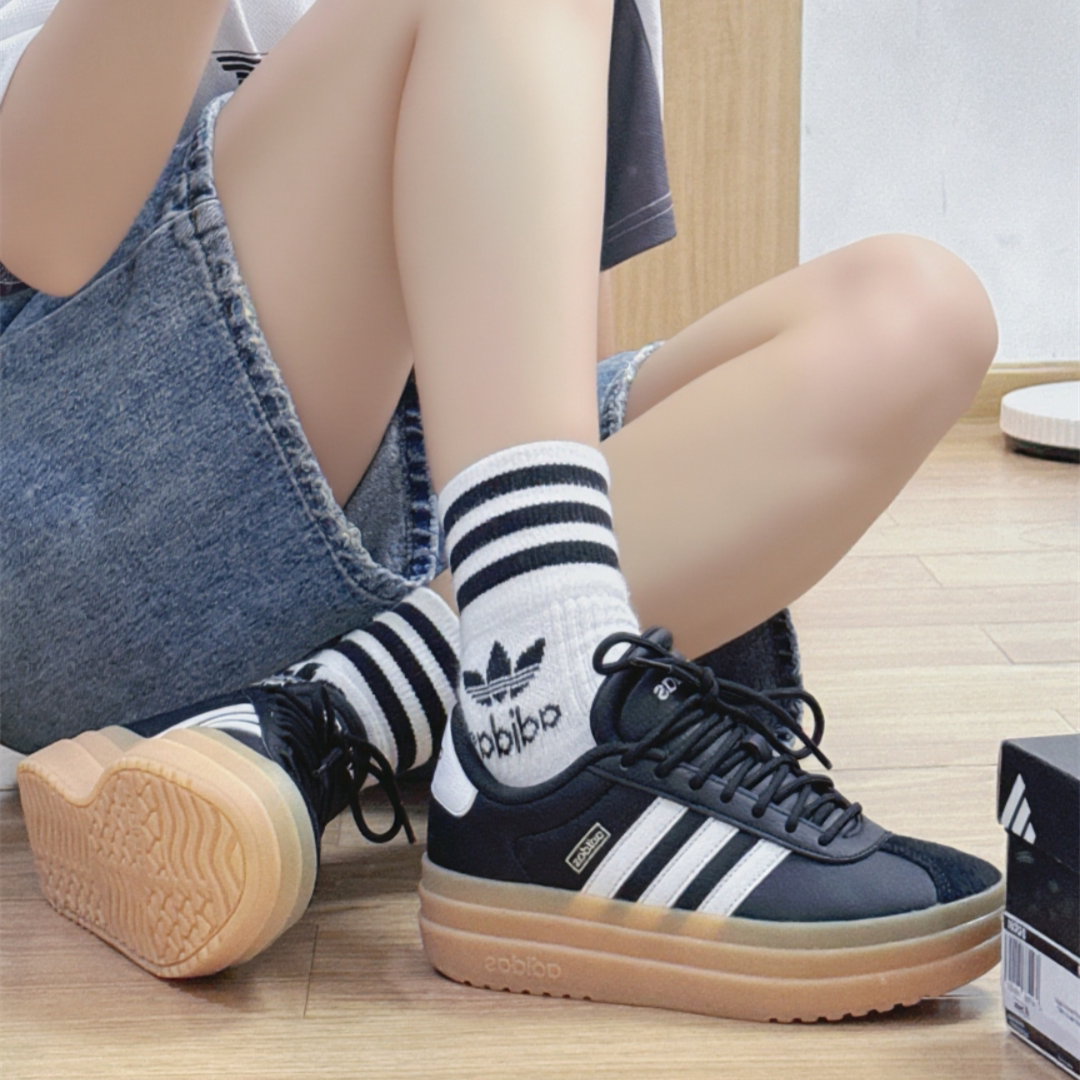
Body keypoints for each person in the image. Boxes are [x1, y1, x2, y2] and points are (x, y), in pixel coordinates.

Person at [0, 0, 1003, 1021]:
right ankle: (533, 720)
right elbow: (44, 232)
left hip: (417, 519)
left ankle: (333, 716)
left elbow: (543, 386)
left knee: (917, 311)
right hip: (70, 499)